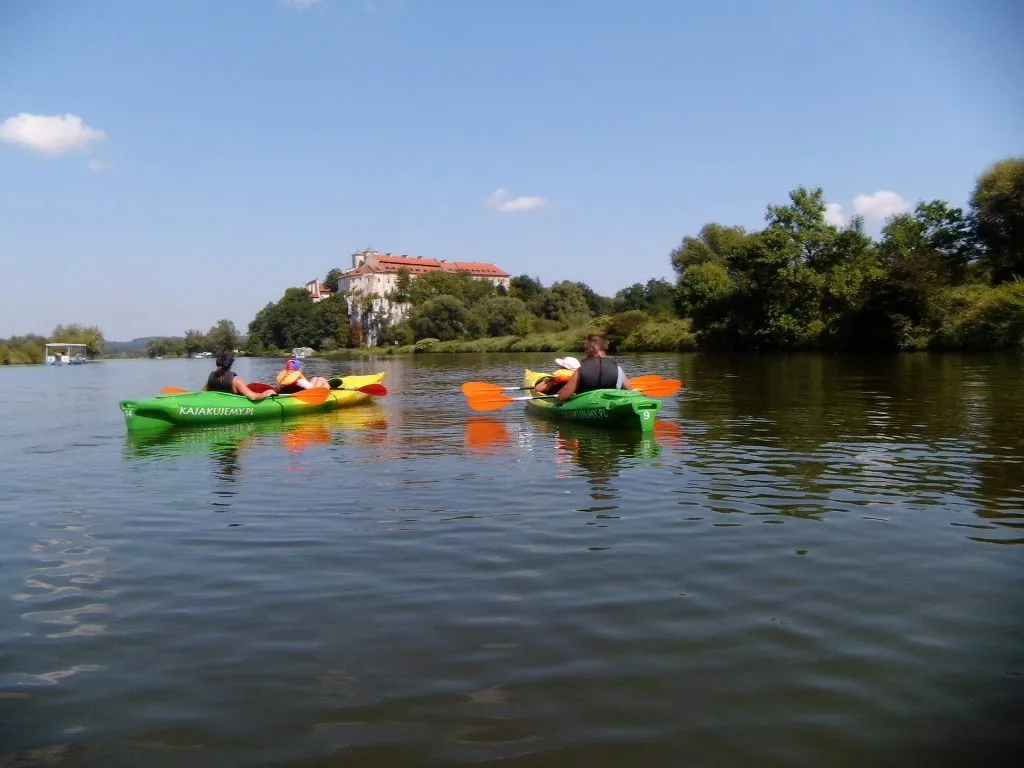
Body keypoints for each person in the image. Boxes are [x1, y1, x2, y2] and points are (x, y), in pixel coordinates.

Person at [557, 333, 632, 401]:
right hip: (611, 404)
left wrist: (559, 395)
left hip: (586, 406)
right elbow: (630, 393)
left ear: (594, 349)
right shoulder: (618, 369)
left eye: (586, 348)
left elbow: (563, 396)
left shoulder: (581, 370)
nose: (585, 351)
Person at [204, 352, 276, 401]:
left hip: (218, 404)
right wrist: (266, 393)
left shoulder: (211, 377)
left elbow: (203, 393)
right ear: (230, 365)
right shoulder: (235, 380)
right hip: (234, 405)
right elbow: (253, 397)